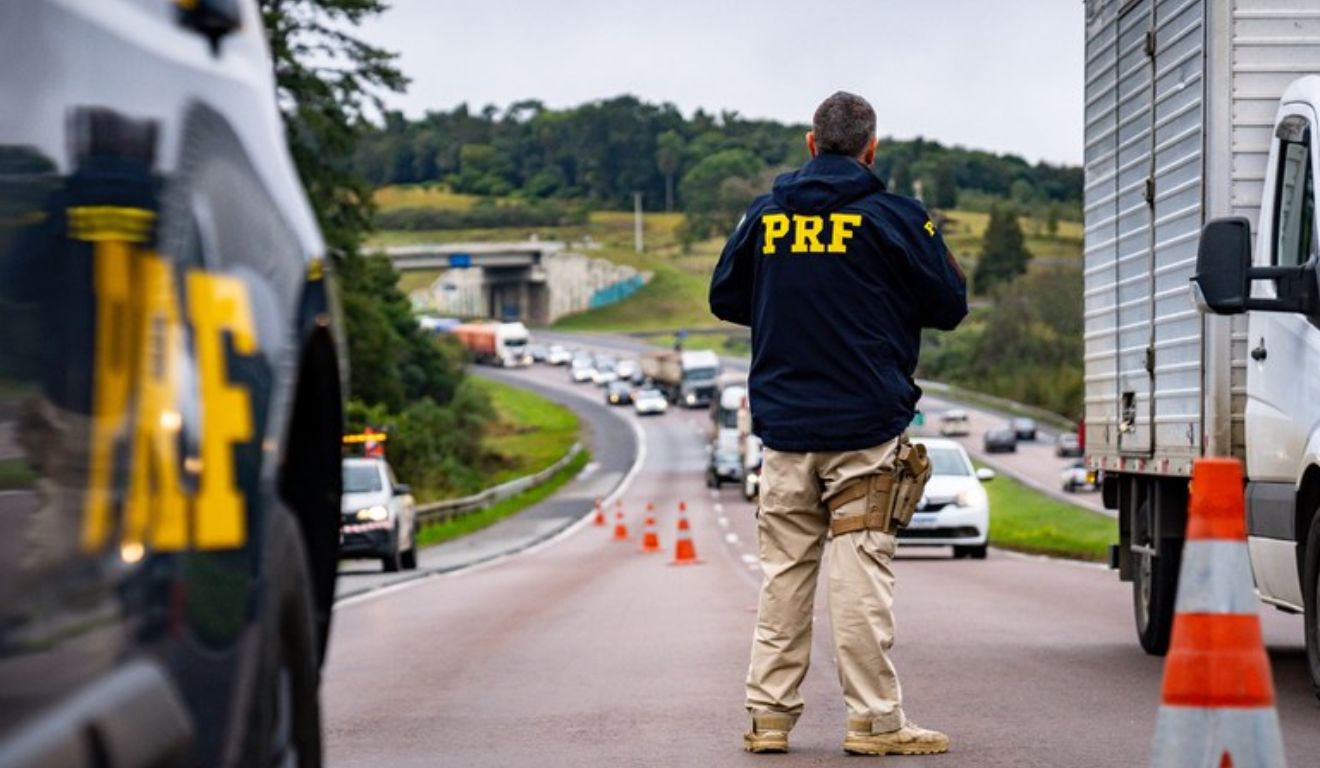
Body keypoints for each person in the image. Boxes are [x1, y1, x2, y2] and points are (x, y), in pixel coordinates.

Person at [709, 91, 967, 756]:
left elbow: (724, 296)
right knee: (859, 577)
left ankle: (768, 719)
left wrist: (790, 300)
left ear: (811, 143)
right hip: (865, 429)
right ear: (870, 149)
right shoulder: (896, 218)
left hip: (784, 431)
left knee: (784, 576)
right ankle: (874, 722)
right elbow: (950, 304)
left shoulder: (765, 216)